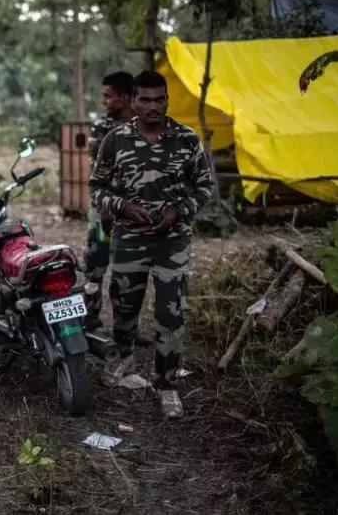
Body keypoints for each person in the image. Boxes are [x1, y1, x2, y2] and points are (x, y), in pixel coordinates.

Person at [89, 70, 213, 418]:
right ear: (134, 101)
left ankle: (167, 384)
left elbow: (204, 187)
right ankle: (124, 363)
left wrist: (179, 211)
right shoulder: (116, 139)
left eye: (159, 99)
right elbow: (97, 187)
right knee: (125, 306)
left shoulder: (186, 140)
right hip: (129, 239)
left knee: (170, 312)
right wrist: (122, 206)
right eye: (145, 100)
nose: (152, 106)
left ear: (167, 101)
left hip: (172, 242)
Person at [84, 71, 135, 332]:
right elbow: (96, 173)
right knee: (94, 265)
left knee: (127, 274)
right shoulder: (102, 127)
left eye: (108, 96)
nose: (103, 101)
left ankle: (125, 329)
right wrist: (104, 207)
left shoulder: (143, 127)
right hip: (104, 212)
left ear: (125, 98)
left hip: (132, 214)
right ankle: (89, 321)